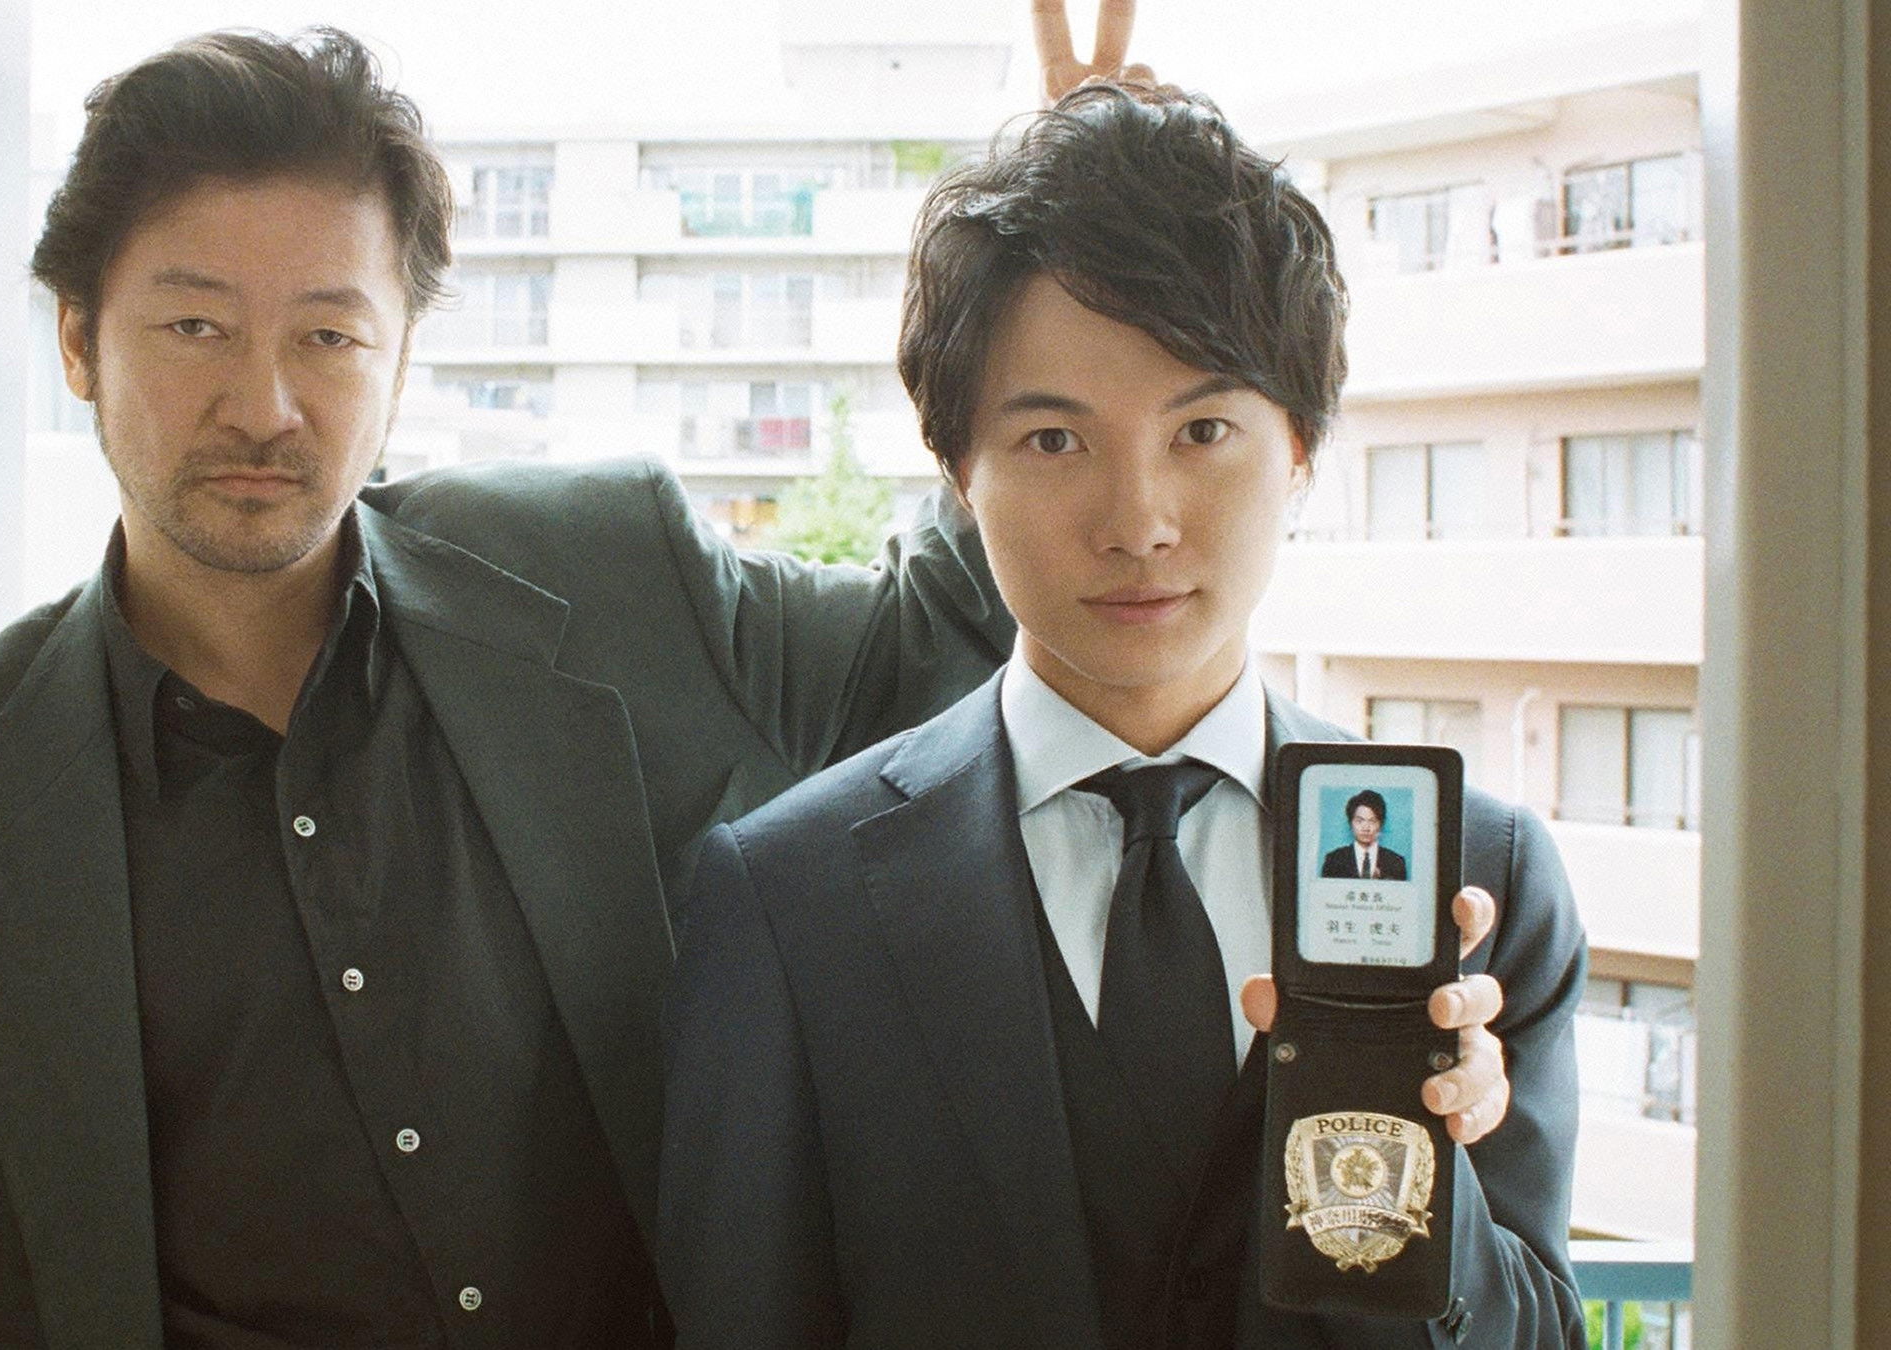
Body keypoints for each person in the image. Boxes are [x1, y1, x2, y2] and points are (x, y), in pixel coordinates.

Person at [0, 28, 1013, 1349]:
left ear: (399, 362)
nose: (263, 404)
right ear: (76, 340)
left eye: (329, 333)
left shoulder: (605, 574)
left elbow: (945, 632)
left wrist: (1064, 248)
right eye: (194, 325)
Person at [657, 78, 1590, 1349]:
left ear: (1301, 449)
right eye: (1055, 441)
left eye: (1202, 429)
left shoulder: (1480, 875)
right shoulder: (787, 900)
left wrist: (1435, 1181)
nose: (1138, 522)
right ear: (960, 470)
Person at [1323, 789, 1410, 880]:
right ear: (1350, 823)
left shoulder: (1396, 862)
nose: (1366, 828)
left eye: (1372, 821)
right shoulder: (1333, 860)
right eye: (1359, 821)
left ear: (1381, 824)